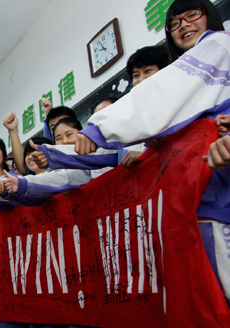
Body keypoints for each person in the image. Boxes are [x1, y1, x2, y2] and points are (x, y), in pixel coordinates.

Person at [73, 0, 230, 307]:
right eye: (174, 23)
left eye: (191, 15)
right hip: (199, 200)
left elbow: (165, 92)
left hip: (216, 200)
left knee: (217, 298)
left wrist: (99, 127)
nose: (182, 25)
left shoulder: (218, 45)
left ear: (210, 15)